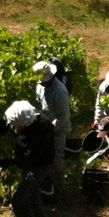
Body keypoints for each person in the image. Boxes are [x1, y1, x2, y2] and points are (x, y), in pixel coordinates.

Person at [0, 101, 55, 217]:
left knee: (20, 201)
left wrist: (8, 162)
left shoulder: (43, 128)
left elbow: (31, 159)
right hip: (27, 162)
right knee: (33, 200)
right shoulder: (15, 115)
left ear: (28, 123)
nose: (15, 129)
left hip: (39, 167)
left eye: (19, 127)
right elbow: (2, 127)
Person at [34, 60, 71, 201]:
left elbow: (64, 117)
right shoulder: (40, 86)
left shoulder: (60, 92)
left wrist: (50, 128)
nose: (41, 83)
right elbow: (38, 105)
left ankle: (59, 191)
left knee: (56, 159)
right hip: (45, 127)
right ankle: (46, 188)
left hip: (59, 129)